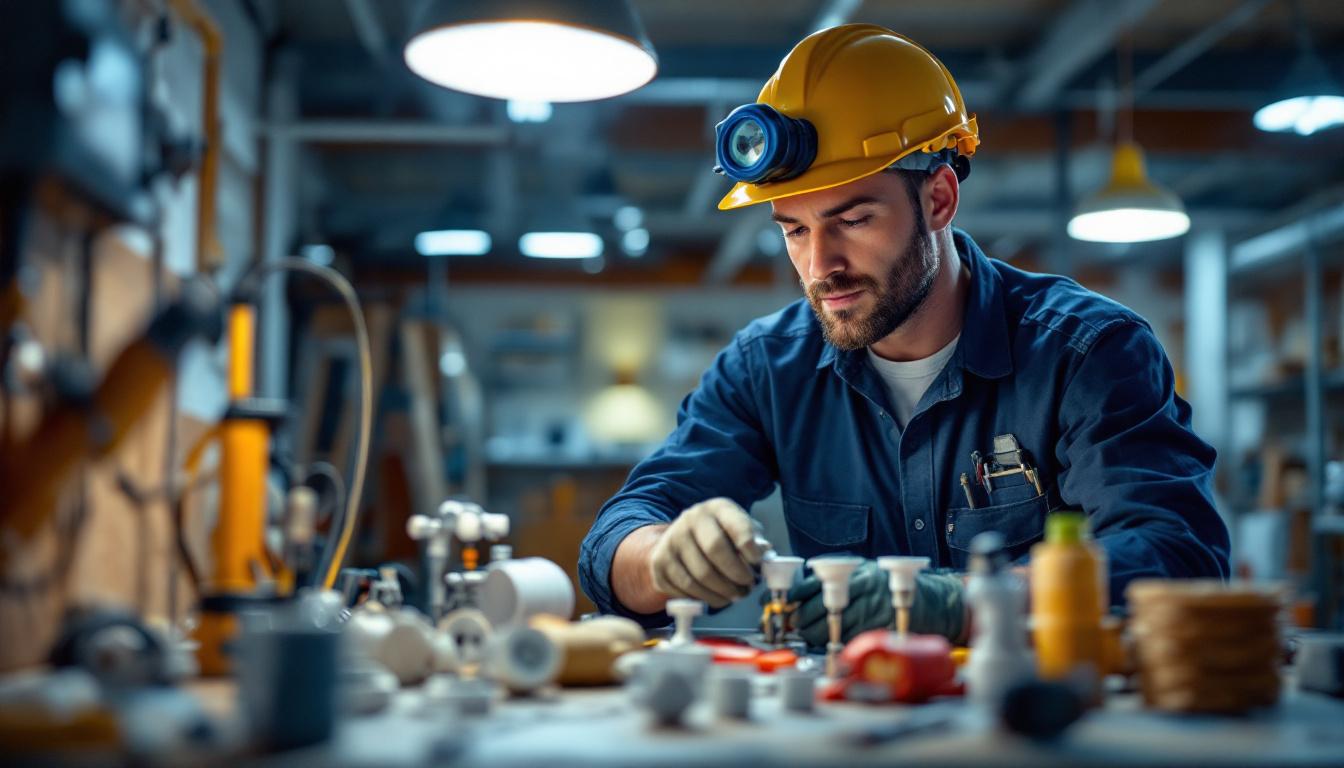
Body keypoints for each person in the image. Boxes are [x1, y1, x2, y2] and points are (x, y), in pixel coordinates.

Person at [578, 23, 1229, 646]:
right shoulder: (766, 368)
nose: (820, 265)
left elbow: (1179, 555)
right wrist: (663, 557)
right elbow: (617, 537)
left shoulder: (1085, 353)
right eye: (794, 230)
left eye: (853, 219)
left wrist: (973, 605)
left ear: (939, 199)